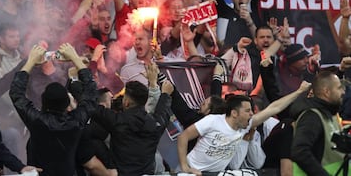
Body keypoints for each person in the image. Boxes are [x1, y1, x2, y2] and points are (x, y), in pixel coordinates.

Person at [177, 80, 311, 174]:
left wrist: (299, 91)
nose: (252, 113)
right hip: (192, 171)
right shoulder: (212, 121)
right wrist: (184, 166)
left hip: (216, 174)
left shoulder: (246, 125)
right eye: (247, 111)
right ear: (234, 113)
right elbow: (183, 137)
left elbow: (274, 108)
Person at [9, 43, 98, 176]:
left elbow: (16, 93)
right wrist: (75, 58)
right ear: (68, 103)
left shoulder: (36, 121)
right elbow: (91, 93)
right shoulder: (76, 121)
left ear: (43, 101)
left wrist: (31, 61)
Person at [92, 79, 174, 176]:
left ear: (126, 102)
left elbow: (91, 107)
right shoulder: (156, 124)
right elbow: (163, 112)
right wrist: (165, 94)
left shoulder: (117, 121)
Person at [291, 71, 345, 175]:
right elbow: (299, 151)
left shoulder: (329, 115)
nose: (343, 92)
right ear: (327, 92)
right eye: (339, 88)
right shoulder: (312, 116)